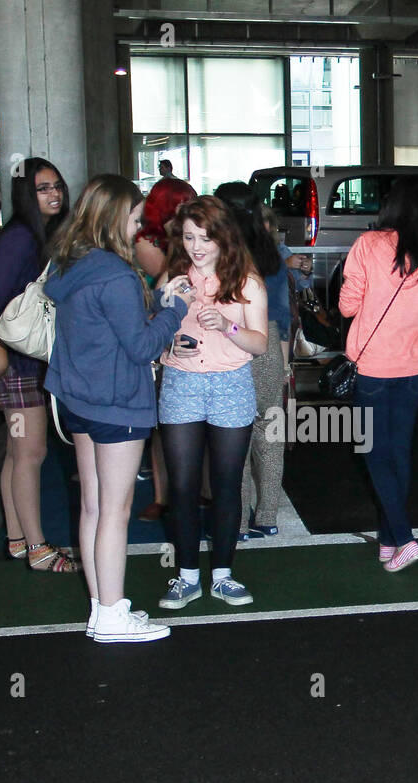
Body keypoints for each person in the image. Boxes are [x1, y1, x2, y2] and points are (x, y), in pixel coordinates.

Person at [44, 174, 192, 640]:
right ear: (112, 218)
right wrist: (175, 309)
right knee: (116, 510)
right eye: (132, 218)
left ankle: (100, 605)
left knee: (92, 507)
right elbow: (141, 347)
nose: (137, 227)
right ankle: (111, 614)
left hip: (78, 399)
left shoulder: (68, 265)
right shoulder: (115, 274)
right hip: (116, 403)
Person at [156, 196, 269, 609]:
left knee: (226, 485)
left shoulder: (247, 281)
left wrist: (227, 324)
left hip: (231, 383)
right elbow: (152, 329)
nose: (196, 246)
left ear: (224, 237)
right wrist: (171, 336)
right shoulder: (173, 277)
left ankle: (222, 573)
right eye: (188, 237)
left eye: (206, 237)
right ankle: (186, 575)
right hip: (181, 382)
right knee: (182, 486)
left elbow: (258, 343)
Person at [0, 157, 76, 571]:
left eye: (57, 186)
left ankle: (18, 540)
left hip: (25, 359)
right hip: (13, 363)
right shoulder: (20, 237)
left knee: (18, 454)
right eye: (43, 188)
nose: (54, 194)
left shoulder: (42, 234)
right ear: (25, 195)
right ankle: (37, 548)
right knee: (30, 453)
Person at [338, 177, 418, 573]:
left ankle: (405, 536)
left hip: (372, 365)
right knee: (397, 453)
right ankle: (388, 542)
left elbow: (348, 307)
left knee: (371, 451)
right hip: (412, 365)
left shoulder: (369, 245)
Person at [214, 182, 290, 540]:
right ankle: (268, 515)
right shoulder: (270, 251)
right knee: (269, 432)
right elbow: (283, 314)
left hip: (231, 342)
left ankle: (238, 524)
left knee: (235, 438)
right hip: (270, 343)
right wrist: (285, 363)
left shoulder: (220, 253)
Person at [133, 175, 198, 522]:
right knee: (163, 424)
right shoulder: (147, 242)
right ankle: (162, 496)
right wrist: (182, 241)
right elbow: (172, 284)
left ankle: (194, 491)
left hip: (185, 334)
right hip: (160, 333)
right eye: (182, 204)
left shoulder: (172, 240)